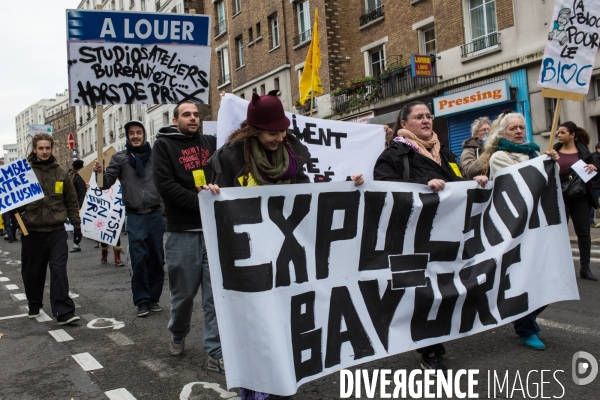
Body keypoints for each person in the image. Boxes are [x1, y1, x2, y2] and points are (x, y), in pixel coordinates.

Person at [209, 90, 363, 400]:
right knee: (257, 322)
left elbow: (309, 194)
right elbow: (218, 205)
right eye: (271, 132)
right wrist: (211, 191)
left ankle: (281, 379)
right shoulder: (229, 156)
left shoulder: (294, 149)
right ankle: (256, 389)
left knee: (285, 319)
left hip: (287, 250)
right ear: (254, 131)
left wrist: (349, 183)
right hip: (250, 254)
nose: (278, 137)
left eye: (282, 131)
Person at [373, 101, 488, 376]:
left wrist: (475, 184)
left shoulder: (444, 153)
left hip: (444, 236)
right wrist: (421, 188)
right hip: (411, 237)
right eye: (418, 117)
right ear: (404, 124)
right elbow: (382, 190)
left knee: (442, 289)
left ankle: (434, 340)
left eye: (429, 116)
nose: (426, 121)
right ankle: (430, 351)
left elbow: (458, 182)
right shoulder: (394, 154)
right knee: (420, 294)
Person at [152, 100, 224, 372]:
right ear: (175, 119)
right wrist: (202, 201)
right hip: (182, 233)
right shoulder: (163, 145)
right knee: (183, 296)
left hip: (213, 232)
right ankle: (178, 332)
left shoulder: (210, 142)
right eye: (186, 114)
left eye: (195, 114)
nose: (192, 118)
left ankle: (214, 352)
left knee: (214, 297)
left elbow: (226, 167)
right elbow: (166, 187)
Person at [480, 112, 560, 350]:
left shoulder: (533, 153)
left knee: (551, 276)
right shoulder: (499, 157)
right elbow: (525, 181)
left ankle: (522, 318)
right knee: (524, 278)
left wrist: (551, 160)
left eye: (521, 128)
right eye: (513, 128)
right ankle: (526, 328)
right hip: (515, 227)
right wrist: (545, 163)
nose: (518, 132)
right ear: (503, 133)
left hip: (538, 224)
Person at [93, 120, 165, 318]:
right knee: (139, 258)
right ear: (127, 136)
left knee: (157, 258)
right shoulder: (120, 158)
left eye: (139, 132)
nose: (135, 136)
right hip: (134, 216)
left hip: (154, 214)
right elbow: (105, 184)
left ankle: (153, 298)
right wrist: (99, 173)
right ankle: (142, 301)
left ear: (143, 134)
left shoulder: (155, 157)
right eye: (131, 133)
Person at [18, 133, 81, 325]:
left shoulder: (62, 173)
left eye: (47, 148)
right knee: (33, 272)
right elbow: (11, 199)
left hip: (56, 231)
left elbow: (71, 201)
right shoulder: (24, 173)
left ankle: (64, 312)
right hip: (32, 231)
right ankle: (34, 303)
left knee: (58, 269)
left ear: (51, 149)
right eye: (41, 148)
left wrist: (76, 226)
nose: (44, 152)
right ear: (34, 149)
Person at [554, 121, 599, 281]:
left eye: (563, 132)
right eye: (558, 132)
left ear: (572, 135)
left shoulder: (584, 153)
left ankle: (585, 269)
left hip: (581, 197)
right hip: (560, 197)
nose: (559, 135)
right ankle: (560, 268)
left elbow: (595, 174)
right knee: (558, 233)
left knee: (584, 233)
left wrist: (594, 168)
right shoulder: (553, 152)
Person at [69, 160, 87, 253]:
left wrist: (80, 205)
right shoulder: (78, 175)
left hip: (79, 203)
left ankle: (76, 244)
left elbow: (81, 191)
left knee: (77, 225)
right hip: (78, 203)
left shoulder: (79, 176)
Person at [590, 143, 600, 228]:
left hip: (597, 183)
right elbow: (597, 169)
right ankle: (590, 221)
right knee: (593, 203)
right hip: (595, 184)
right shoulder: (595, 157)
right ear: (598, 149)